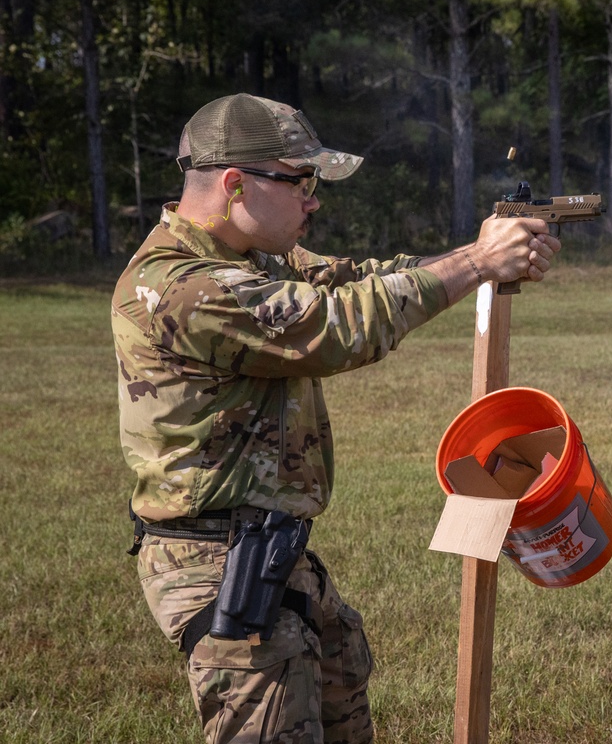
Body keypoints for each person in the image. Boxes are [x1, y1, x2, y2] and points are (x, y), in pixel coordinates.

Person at [112, 93, 561, 744]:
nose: (314, 199)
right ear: (236, 185)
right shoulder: (181, 286)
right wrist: (477, 263)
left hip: (269, 551)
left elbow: (362, 280)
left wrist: (494, 253)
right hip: (219, 562)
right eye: (302, 180)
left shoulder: (254, 259)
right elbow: (339, 326)